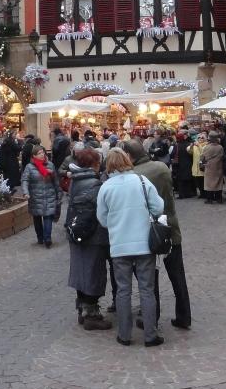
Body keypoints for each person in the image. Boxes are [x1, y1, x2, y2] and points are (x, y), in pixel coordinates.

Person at [96, 148, 165, 347]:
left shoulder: (106, 187)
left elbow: (102, 218)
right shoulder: (142, 181)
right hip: (144, 244)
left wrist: (116, 224)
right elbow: (158, 207)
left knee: (123, 290)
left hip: (120, 245)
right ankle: (150, 335)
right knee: (147, 289)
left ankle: (124, 334)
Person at [124, 140, 191, 331]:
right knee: (177, 274)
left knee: (149, 276)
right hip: (170, 225)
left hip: (148, 230)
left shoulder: (133, 176)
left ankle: (152, 316)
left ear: (129, 156)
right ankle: (184, 315)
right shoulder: (162, 168)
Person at [64, 148, 111, 330]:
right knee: (94, 272)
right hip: (93, 234)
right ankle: (91, 314)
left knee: (81, 270)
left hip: (76, 231)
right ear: (94, 164)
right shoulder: (94, 184)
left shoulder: (76, 180)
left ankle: (82, 308)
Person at [21, 142, 61, 248]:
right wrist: (26, 192)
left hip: (49, 194)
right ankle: (40, 237)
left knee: (48, 217)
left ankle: (47, 238)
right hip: (35, 197)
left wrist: (59, 192)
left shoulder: (50, 165)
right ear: (34, 156)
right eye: (39, 153)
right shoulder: (29, 167)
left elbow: (56, 181)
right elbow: (25, 180)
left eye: (43, 152)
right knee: (37, 218)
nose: (42, 154)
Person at [200, 134, 225, 204]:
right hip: (218, 167)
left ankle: (209, 199)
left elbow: (202, 157)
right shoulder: (220, 147)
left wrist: (202, 163)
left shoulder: (206, 147)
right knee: (218, 183)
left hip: (209, 167)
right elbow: (223, 157)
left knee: (208, 183)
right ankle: (218, 198)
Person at [187, 133, 205, 199]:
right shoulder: (195, 146)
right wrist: (191, 146)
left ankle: (205, 193)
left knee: (203, 181)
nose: (200, 139)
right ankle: (201, 193)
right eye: (199, 138)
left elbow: (203, 153)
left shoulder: (205, 145)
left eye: (202, 137)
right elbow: (189, 151)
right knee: (198, 182)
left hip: (203, 167)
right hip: (196, 167)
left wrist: (199, 146)